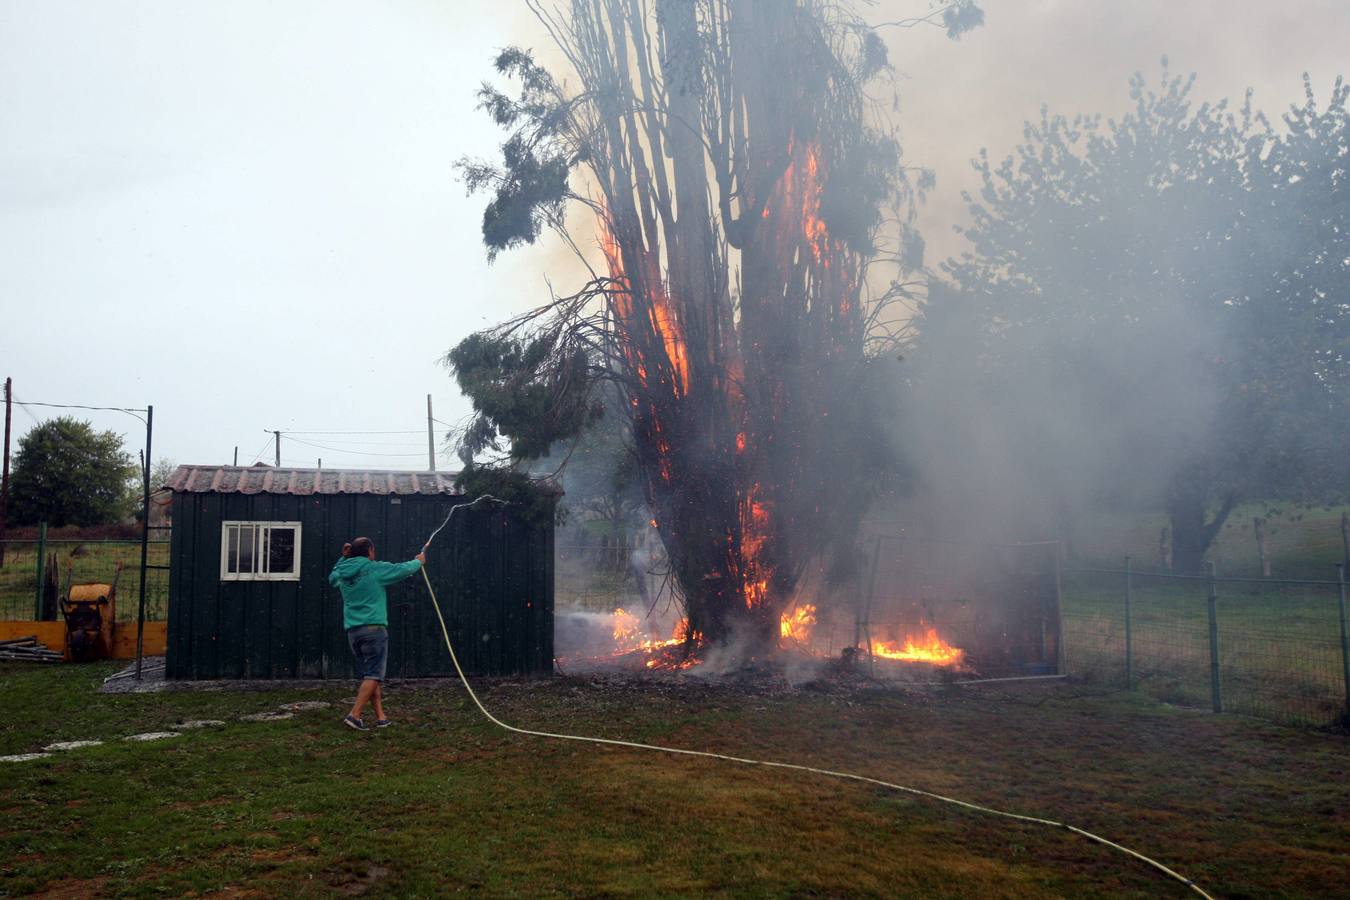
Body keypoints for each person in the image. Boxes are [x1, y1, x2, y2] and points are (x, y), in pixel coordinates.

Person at [328, 536, 425, 731]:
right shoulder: (374, 568)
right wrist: (419, 561)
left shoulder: (343, 572)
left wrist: (342, 558)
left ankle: (381, 717)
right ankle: (354, 715)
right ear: (370, 551)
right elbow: (402, 570)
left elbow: (332, 579)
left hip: (353, 632)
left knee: (370, 676)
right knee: (374, 675)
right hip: (374, 630)